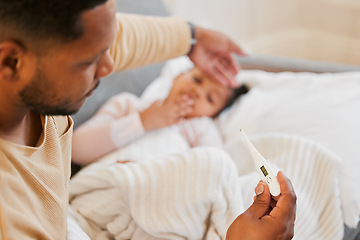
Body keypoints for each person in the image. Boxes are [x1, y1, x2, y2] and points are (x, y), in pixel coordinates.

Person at [0, 0, 296, 239]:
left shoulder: (42, 72)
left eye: (107, 47)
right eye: (90, 60)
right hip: (107, 195)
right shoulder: (12, 215)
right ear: (11, 62)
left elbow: (120, 37)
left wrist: (193, 37)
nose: (110, 66)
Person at [72, 66, 249, 165]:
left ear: (213, 114)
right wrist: (142, 121)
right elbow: (75, 150)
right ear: (177, 76)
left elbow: (217, 170)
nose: (197, 91)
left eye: (210, 98)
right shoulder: (128, 106)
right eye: (197, 79)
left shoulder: (201, 128)